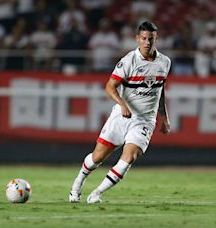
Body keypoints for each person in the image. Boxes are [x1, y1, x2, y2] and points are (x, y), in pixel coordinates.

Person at [69, 21, 171, 204]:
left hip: (145, 120)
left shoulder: (165, 62)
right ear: (137, 39)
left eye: (151, 39)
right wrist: (122, 104)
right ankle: (77, 184)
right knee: (97, 157)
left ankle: (97, 193)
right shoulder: (128, 61)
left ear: (157, 39)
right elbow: (109, 87)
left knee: (129, 156)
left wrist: (164, 116)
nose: (147, 42)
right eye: (144, 38)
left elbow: (160, 89)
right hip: (121, 115)